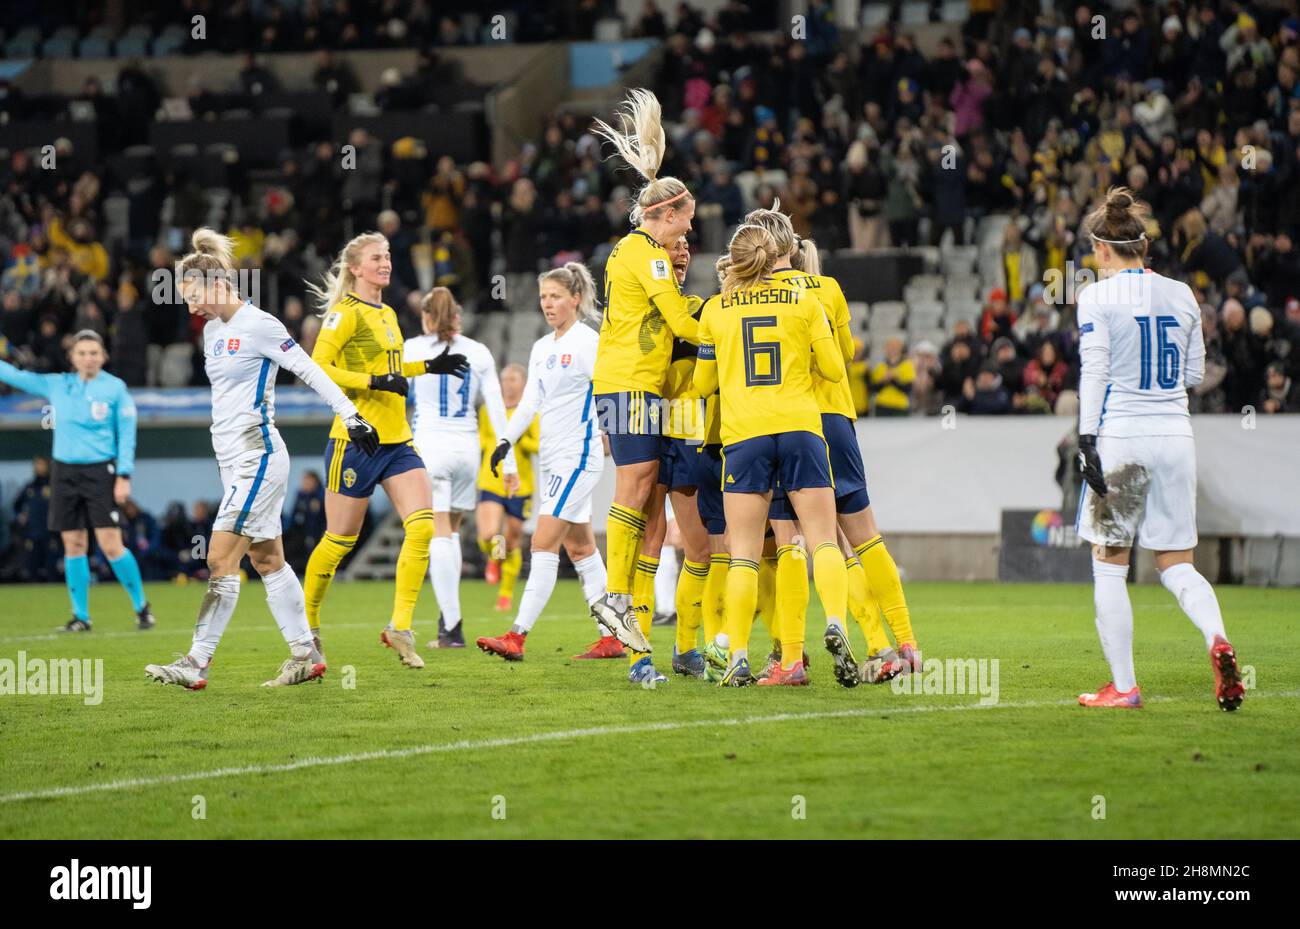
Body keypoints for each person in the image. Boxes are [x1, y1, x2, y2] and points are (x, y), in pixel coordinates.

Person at [144, 229, 379, 690]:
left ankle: (197, 662)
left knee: (217, 559)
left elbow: (308, 369)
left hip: (259, 455)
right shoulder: (212, 331)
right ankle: (306, 655)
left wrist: (351, 415)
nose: (190, 307)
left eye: (192, 296)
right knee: (268, 560)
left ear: (213, 286)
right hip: (232, 460)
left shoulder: (260, 325)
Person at [1074, 188, 1244, 711]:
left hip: (1123, 437)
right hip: (1175, 435)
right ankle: (1217, 638)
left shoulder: (1096, 297)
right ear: (1143, 246)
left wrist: (1086, 438)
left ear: (1103, 250)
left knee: (1109, 563)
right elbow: (1193, 374)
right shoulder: (1182, 294)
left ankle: (1124, 687)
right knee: (1176, 565)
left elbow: (1096, 370)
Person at [750, 210, 921, 686]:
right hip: (836, 418)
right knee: (860, 537)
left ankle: (790, 658)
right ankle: (900, 645)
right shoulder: (826, 289)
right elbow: (843, 357)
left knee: (791, 544)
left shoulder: (747, 298)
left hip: (787, 423)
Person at [692, 223, 850, 687]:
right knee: (822, 539)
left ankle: (737, 654)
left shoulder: (716, 309)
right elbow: (836, 367)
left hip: (745, 435)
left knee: (742, 553)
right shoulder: (806, 301)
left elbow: (703, 386)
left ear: (735, 261)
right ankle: (836, 622)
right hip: (801, 427)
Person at [301, 233, 469, 670]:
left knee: (422, 527)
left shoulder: (389, 312)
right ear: (355, 268)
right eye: (377, 258)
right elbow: (319, 367)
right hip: (355, 440)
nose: (387, 263)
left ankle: (400, 626)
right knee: (339, 541)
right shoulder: (344, 314)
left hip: (397, 440)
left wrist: (428, 366)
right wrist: (372, 384)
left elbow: (390, 371)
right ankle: (308, 626)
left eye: (389, 256)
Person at [587, 88, 701, 657]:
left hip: (631, 380)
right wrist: (727, 331)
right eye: (683, 226)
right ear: (662, 215)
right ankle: (614, 594)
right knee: (635, 486)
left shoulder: (630, 251)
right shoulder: (647, 253)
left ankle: (622, 600)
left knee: (645, 492)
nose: (685, 237)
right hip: (630, 381)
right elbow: (681, 322)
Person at [477, 263, 615, 665]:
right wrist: (506, 440)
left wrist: (610, 435)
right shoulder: (541, 348)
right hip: (553, 459)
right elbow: (531, 402)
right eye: (543, 298)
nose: (548, 304)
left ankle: (517, 635)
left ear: (575, 298)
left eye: (555, 296)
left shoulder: (588, 342)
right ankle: (612, 637)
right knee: (582, 548)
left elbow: (607, 391)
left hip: (578, 455)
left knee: (541, 542)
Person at [0, 329, 154, 631]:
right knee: (73, 543)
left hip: (101, 472)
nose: (88, 358)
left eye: (94, 353)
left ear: (103, 357)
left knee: (111, 545)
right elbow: (16, 376)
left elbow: (127, 435)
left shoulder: (115, 389)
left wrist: (124, 475)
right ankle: (81, 617)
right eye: (82, 353)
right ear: (72, 357)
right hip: (64, 472)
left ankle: (141, 607)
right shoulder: (58, 385)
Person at [405, 287, 515, 649]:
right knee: (450, 530)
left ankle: (451, 626)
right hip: (467, 448)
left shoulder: (412, 349)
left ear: (426, 316)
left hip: (430, 446)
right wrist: (507, 459)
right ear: (457, 316)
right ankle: (447, 622)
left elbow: (390, 391)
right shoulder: (478, 351)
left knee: (437, 532)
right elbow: (497, 409)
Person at [474, 363, 539, 614]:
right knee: (490, 534)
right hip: (491, 479)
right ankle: (493, 557)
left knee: (511, 542)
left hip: (520, 485)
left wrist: (520, 441)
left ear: (523, 384)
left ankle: (505, 594)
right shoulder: (488, 409)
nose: (509, 384)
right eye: (505, 379)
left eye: (514, 379)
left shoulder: (530, 413)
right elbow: (482, 439)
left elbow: (538, 445)